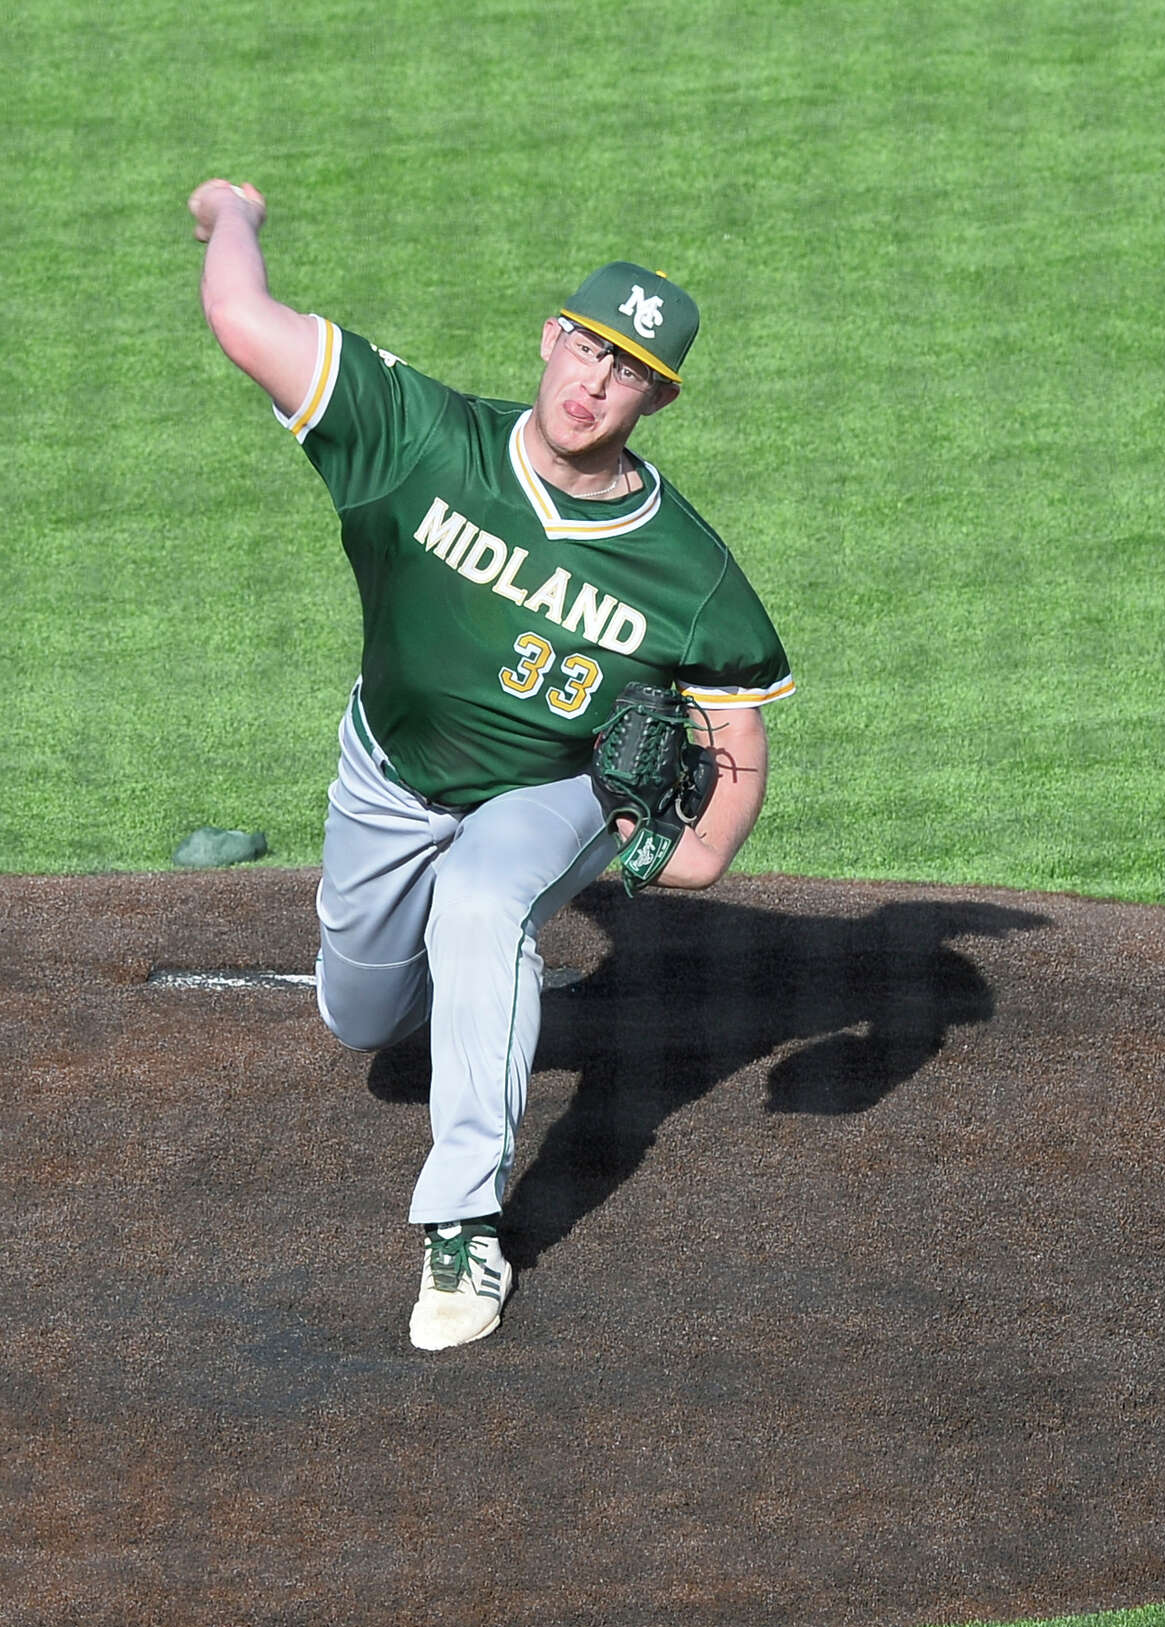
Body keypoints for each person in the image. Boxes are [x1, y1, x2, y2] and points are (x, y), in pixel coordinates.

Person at [187, 178, 795, 1352]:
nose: (592, 384)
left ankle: (463, 1225)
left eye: (627, 372)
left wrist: (662, 850)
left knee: (481, 902)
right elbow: (240, 318)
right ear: (551, 337)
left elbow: (732, 782)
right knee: (365, 1025)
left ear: (658, 395)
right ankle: (467, 997)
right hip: (386, 773)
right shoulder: (417, 436)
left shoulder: (692, 577)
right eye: (585, 347)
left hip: (547, 791)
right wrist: (234, 217)